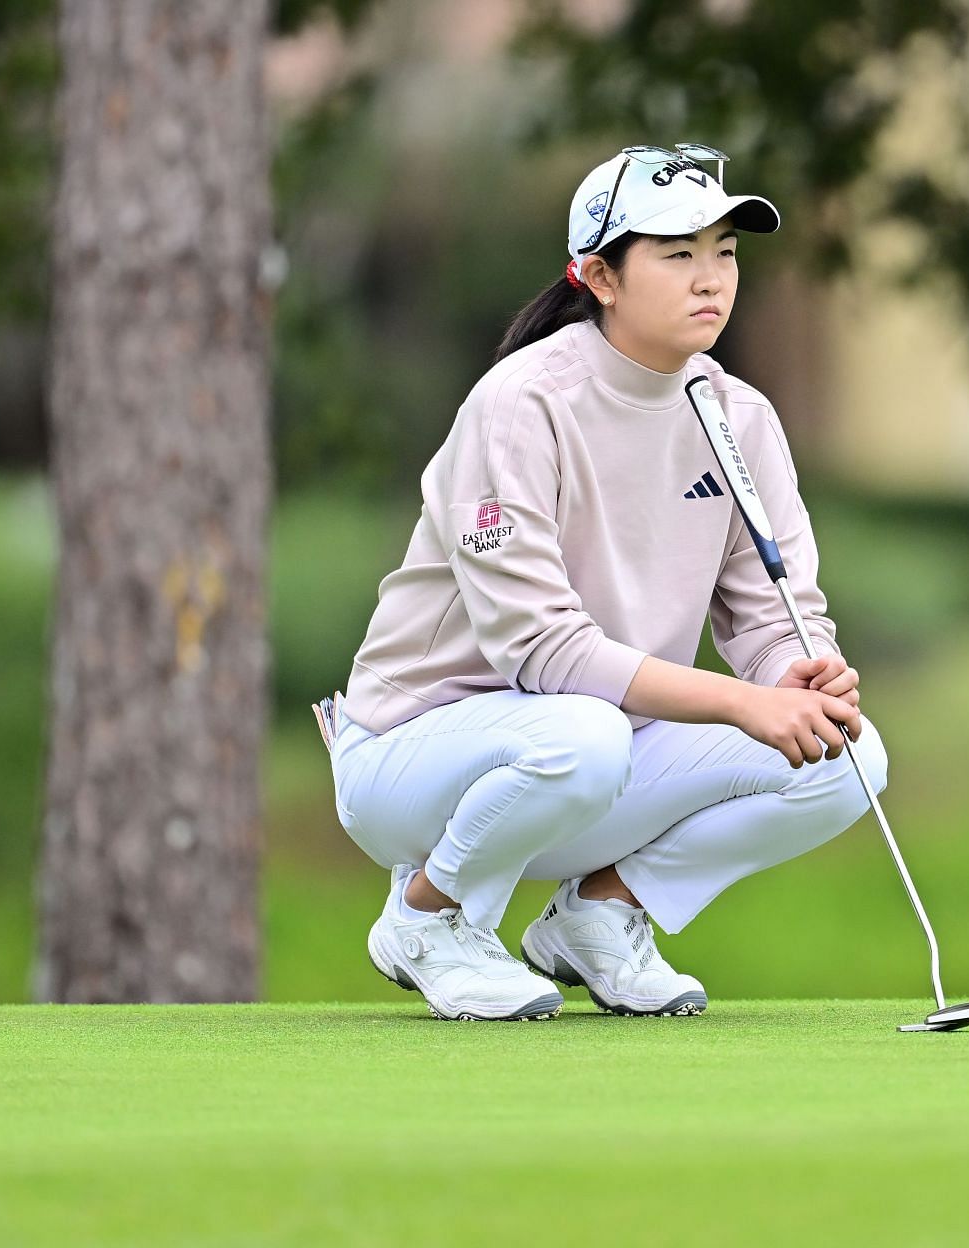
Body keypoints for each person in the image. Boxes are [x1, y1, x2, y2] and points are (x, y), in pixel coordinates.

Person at [326, 143, 887, 1022]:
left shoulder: (736, 414)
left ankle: (601, 913)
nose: (712, 279)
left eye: (726, 253)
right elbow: (538, 647)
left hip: (596, 754)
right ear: (599, 276)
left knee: (848, 756)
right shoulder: (523, 402)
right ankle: (427, 916)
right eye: (678, 255)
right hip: (412, 756)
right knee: (582, 735)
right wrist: (741, 704)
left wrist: (796, 676)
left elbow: (775, 615)